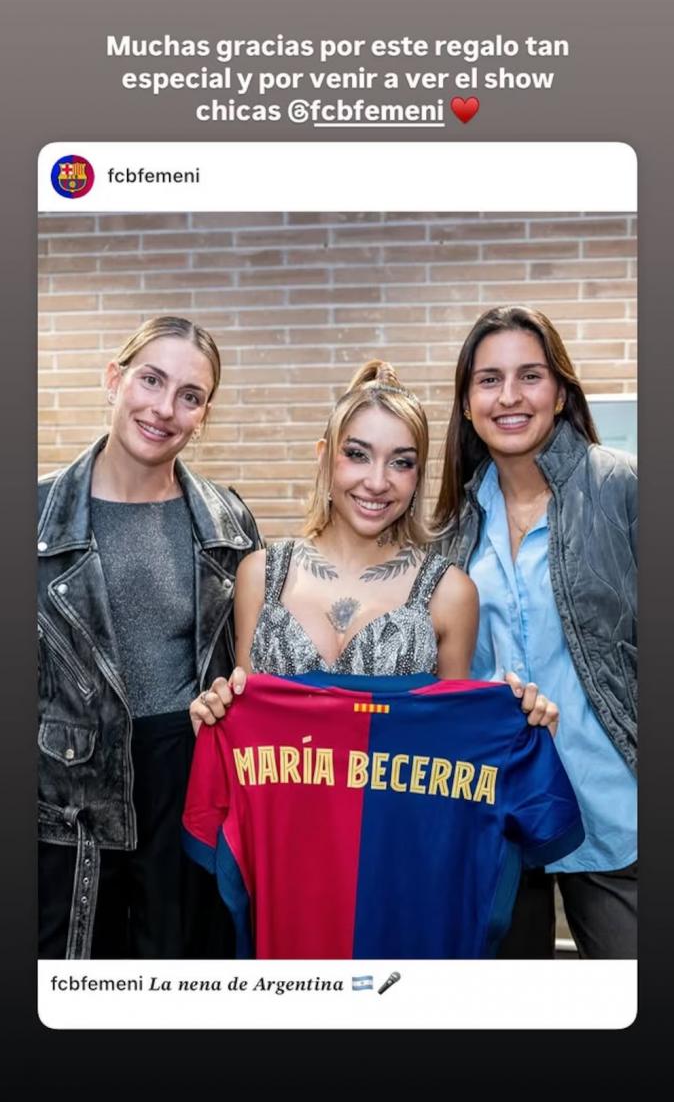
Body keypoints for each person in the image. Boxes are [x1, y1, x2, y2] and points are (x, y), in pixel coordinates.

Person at [188, 361, 570, 959]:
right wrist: (215, 716)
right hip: (293, 873)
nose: (377, 481)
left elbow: (456, 751)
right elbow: (247, 715)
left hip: (402, 871)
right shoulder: (260, 574)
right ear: (325, 457)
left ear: (420, 475)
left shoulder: (450, 592)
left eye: (402, 461)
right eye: (358, 454)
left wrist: (517, 725)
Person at [38, 315, 262, 960]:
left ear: (203, 415)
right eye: (151, 380)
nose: (165, 409)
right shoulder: (34, 515)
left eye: (189, 396)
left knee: (185, 965)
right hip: (65, 793)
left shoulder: (228, 521)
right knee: (73, 971)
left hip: (188, 773)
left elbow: (257, 660)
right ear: (115, 380)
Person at [431, 306, 637, 960]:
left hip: (617, 811)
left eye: (530, 376)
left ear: (561, 391)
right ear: (467, 403)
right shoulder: (451, 523)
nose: (511, 397)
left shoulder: (622, 487)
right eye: (489, 380)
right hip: (500, 815)